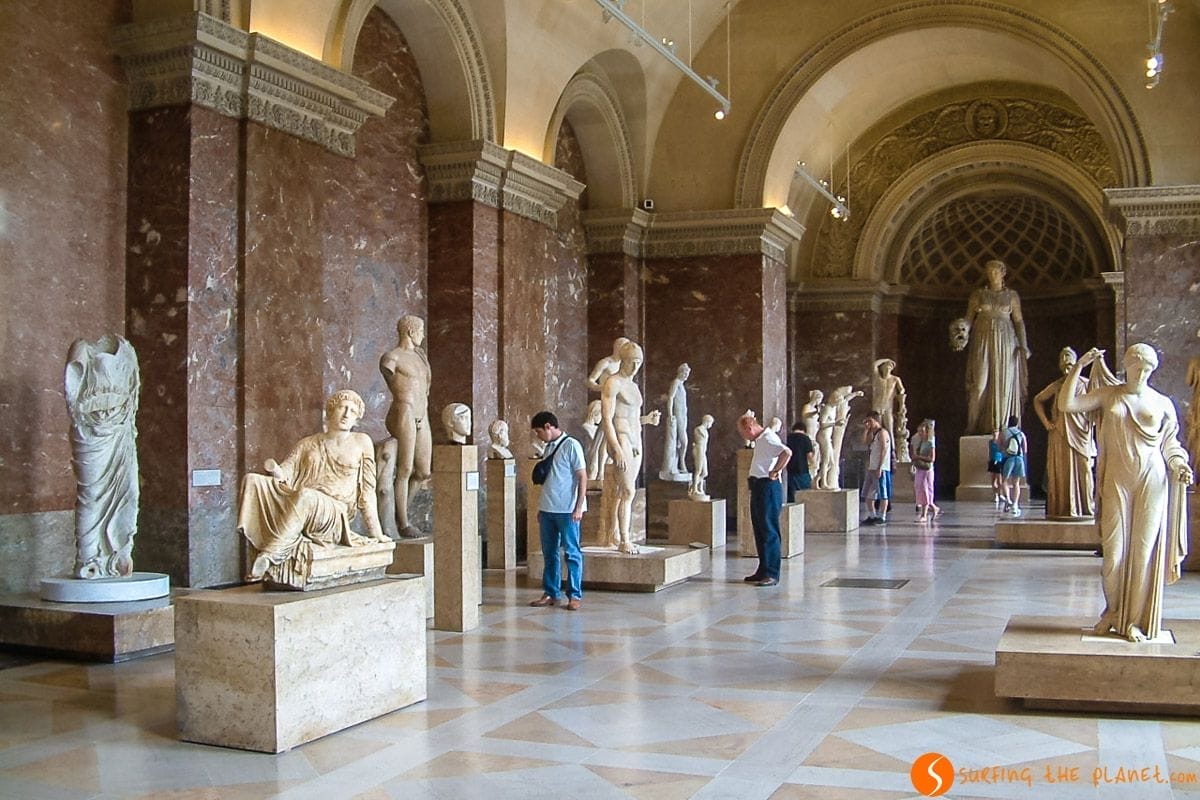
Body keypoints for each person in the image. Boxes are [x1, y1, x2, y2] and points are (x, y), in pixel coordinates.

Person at [1059, 345, 1193, 642]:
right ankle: (1112, 612)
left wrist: (1179, 464)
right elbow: (1067, 405)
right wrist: (1078, 367)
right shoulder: (1110, 395)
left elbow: (1170, 443)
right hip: (1117, 479)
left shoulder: (1162, 403)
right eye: (1138, 366)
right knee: (1114, 555)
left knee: (1143, 554)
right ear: (1127, 364)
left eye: (1148, 369)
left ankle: (1133, 621)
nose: (1142, 373)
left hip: (1152, 479)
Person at [239, 390, 389, 586]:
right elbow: (286, 473)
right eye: (342, 408)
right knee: (252, 480)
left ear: (356, 419)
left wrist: (376, 533)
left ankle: (270, 553)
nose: (346, 414)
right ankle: (269, 546)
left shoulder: (361, 442)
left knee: (306, 496)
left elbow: (368, 492)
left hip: (335, 513)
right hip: (303, 502)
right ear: (330, 411)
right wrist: (275, 470)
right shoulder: (308, 443)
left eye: (352, 411)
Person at [951, 259, 1032, 434]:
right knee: (979, 384)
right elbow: (968, 320)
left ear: (1003, 273)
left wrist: (1024, 345)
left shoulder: (1012, 296)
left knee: (1003, 385)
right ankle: (973, 425)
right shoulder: (978, 295)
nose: (992, 275)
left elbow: (1018, 321)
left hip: (1006, 341)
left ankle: (1002, 428)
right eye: (989, 272)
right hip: (982, 338)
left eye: (995, 271)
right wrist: (960, 330)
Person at [599, 341, 661, 553]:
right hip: (622, 438)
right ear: (623, 361)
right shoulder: (612, 383)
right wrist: (614, 446)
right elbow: (607, 418)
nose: (635, 367)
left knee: (620, 491)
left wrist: (647, 420)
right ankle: (625, 538)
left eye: (638, 363)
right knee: (628, 490)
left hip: (636, 439)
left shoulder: (633, 386)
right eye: (631, 362)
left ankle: (611, 535)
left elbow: (632, 416)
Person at [528, 411, 587, 610]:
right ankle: (551, 592)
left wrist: (579, 506)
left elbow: (582, 476)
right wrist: (541, 508)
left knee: (571, 552)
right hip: (548, 509)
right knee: (550, 553)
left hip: (568, 510)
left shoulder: (571, 445)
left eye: (538, 431)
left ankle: (574, 595)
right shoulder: (548, 448)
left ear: (548, 426)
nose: (538, 436)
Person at [380, 315, 432, 538]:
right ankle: (403, 522)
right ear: (410, 332)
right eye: (420, 331)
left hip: (422, 413)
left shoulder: (420, 357)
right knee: (405, 469)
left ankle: (401, 511)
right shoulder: (391, 358)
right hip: (404, 411)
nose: (422, 335)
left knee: (423, 471)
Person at [1032, 347, 1097, 518]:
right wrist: (1047, 423)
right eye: (1062, 358)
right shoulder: (1058, 385)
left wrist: (1093, 422)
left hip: (1081, 433)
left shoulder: (1086, 383)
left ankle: (1084, 506)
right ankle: (1063, 507)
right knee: (1061, 472)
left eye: (1069, 357)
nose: (1065, 361)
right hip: (1060, 434)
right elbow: (1038, 400)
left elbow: (1098, 405)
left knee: (1084, 470)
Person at [737, 412, 791, 586]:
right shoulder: (760, 440)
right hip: (759, 486)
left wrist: (776, 471)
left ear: (749, 427)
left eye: (742, 432)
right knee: (760, 530)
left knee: (769, 530)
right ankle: (763, 569)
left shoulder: (768, 438)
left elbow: (786, 452)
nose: (743, 436)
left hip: (768, 486)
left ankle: (772, 573)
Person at [584, 337, 630, 484]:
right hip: (606, 403)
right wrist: (602, 388)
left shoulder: (625, 367)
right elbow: (590, 381)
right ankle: (598, 474)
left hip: (618, 406)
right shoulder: (606, 363)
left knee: (608, 440)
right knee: (602, 441)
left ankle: (602, 473)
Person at [872, 358, 909, 463]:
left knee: (889, 430)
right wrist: (886, 359)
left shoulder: (895, 379)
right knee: (876, 431)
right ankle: (875, 454)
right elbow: (874, 365)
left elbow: (902, 390)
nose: (887, 369)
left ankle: (892, 454)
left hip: (888, 407)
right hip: (878, 407)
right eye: (885, 367)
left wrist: (901, 403)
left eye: (889, 367)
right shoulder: (879, 379)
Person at [660, 363, 691, 479]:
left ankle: (677, 465)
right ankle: (682, 463)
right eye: (686, 373)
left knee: (679, 442)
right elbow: (671, 398)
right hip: (677, 416)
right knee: (684, 441)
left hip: (683, 415)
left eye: (688, 373)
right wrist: (670, 414)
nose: (687, 376)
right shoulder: (676, 383)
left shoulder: (681, 385)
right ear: (681, 372)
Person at [862, 410, 892, 524]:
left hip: (881, 467)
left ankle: (882, 516)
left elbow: (884, 450)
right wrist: (866, 431)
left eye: (869, 421)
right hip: (871, 466)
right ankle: (872, 515)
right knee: (869, 492)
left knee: (882, 492)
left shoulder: (883, 433)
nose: (868, 424)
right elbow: (864, 442)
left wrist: (880, 467)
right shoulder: (873, 433)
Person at [910, 419, 941, 521]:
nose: (920, 434)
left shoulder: (930, 442)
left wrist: (918, 457)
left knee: (925, 490)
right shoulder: (921, 442)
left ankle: (924, 514)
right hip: (920, 469)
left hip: (926, 470)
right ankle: (934, 508)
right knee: (919, 488)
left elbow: (932, 458)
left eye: (922, 432)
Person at [1000, 415, 1027, 515]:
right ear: (1017, 423)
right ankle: (1015, 504)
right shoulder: (1021, 433)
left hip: (1008, 459)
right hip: (1019, 459)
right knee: (1016, 483)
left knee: (1004, 481)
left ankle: (1007, 499)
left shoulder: (1004, 433)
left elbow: (999, 446)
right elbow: (1025, 449)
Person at [785, 421, 815, 502]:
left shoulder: (787, 438)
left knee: (791, 497)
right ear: (804, 430)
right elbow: (809, 456)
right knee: (805, 496)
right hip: (802, 471)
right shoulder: (806, 439)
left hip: (789, 471)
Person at [689, 414, 714, 501]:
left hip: (703, 451)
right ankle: (696, 489)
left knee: (705, 472)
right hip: (699, 449)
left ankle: (694, 486)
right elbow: (698, 441)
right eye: (710, 423)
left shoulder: (705, 431)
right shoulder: (698, 429)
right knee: (698, 470)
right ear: (707, 422)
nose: (710, 425)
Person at [988, 428, 1005, 506]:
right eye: (994, 432)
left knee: (1000, 480)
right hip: (992, 461)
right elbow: (990, 451)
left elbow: (1002, 450)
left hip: (999, 461)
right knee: (993, 480)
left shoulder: (1001, 442)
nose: (995, 434)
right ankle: (996, 495)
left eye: (996, 432)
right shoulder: (990, 442)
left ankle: (1000, 493)